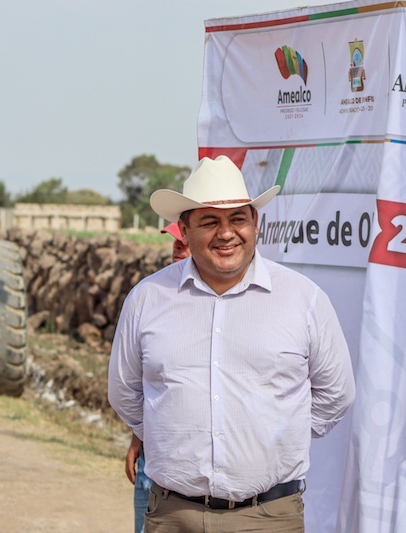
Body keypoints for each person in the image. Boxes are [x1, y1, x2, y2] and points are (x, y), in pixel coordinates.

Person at [108, 155, 355, 532]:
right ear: (184, 230)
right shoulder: (147, 299)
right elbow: (125, 392)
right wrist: (172, 430)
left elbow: (336, 393)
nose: (226, 233)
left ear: (255, 224)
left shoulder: (303, 299)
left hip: (269, 517)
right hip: (174, 516)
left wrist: (272, 435)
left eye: (237, 218)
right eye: (209, 221)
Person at [127, 221, 190, 533]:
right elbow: (140, 383)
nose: (177, 247)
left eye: (184, 241)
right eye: (176, 241)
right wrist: (139, 437)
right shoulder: (152, 297)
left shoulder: (220, 308)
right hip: (152, 459)